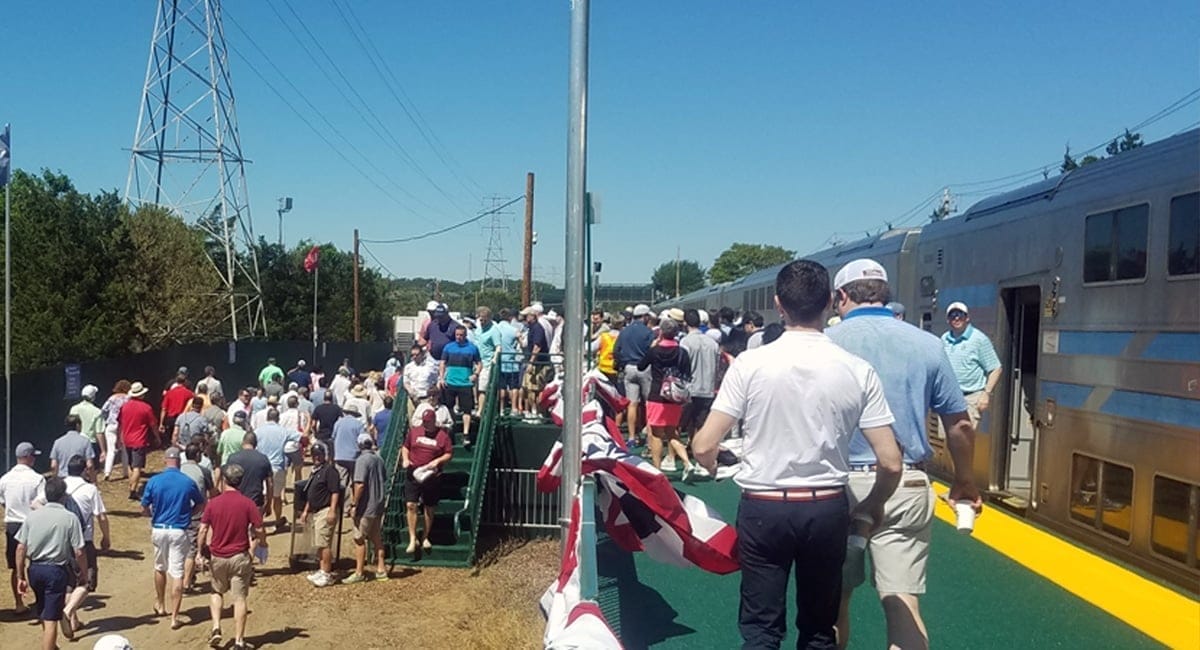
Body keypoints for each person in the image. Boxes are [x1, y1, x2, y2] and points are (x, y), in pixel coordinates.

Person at [692, 259, 903, 650]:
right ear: (829, 302)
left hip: (764, 506)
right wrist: (870, 506)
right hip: (826, 507)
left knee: (761, 627)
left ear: (779, 304)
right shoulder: (857, 369)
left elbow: (704, 445)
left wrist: (714, 464)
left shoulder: (750, 364)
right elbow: (890, 461)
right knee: (820, 628)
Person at [827, 258, 982, 649]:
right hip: (907, 483)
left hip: (837, 486)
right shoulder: (928, 344)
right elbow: (960, 425)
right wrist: (965, 480)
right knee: (901, 602)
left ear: (841, 297)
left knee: (831, 602)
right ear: (886, 295)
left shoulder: (826, 346)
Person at [196, 461, 266, 650]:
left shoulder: (214, 504)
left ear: (224, 480)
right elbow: (259, 529)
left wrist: (200, 551)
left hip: (218, 556)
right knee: (240, 599)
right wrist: (260, 546)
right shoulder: (248, 504)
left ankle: (217, 627)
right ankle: (239, 640)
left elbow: (202, 530)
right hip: (239, 556)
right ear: (240, 482)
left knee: (216, 591)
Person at [14, 476, 87, 650]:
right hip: (55, 570)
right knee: (52, 618)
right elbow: (79, 551)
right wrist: (83, 573)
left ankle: (51, 645)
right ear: (64, 496)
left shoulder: (32, 517)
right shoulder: (70, 518)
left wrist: (20, 576)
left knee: (43, 611)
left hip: (35, 569)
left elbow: (20, 548)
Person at [140, 446, 205, 630]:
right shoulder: (187, 481)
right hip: (179, 529)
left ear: (164, 461)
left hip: (159, 528)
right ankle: (175, 617)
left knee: (160, 567)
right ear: (179, 461)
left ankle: (160, 604)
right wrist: (189, 514)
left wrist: (151, 516)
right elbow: (200, 504)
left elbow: (143, 507)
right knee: (177, 572)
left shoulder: (154, 481)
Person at [637, 318, 697, 477]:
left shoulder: (654, 351)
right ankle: (686, 461)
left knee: (656, 434)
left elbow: (641, 366)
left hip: (657, 395)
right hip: (674, 397)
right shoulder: (682, 352)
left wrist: (651, 347)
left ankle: (657, 469)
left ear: (661, 332)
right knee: (672, 432)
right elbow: (687, 374)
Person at [942, 301, 1004, 432]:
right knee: (948, 439)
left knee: (964, 439)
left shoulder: (979, 340)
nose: (956, 318)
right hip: (948, 398)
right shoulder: (944, 339)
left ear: (967, 318)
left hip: (970, 398)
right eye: (952, 315)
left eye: (960, 315)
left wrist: (986, 394)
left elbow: (996, 368)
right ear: (948, 320)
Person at [1, 442, 46, 614]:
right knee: (36, 562)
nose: (34, 459)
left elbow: (3, 501)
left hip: (12, 524)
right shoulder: (37, 479)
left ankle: (19, 603)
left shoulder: (4, 479)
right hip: (32, 523)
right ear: (28, 457)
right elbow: (41, 503)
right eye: (33, 456)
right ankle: (40, 598)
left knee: (15, 565)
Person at [402, 410, 453, 554]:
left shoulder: (442, 436)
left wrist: (438, 461)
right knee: (411, 504)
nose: (425, 424)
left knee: (429, 507)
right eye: (424, 421)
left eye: (428, 422)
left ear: (433, 420)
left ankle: (425, 536)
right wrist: (405, 459)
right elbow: (405, 447)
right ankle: (412, 538)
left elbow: (449, 453)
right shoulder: (414, 432)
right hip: (414, 472)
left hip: (431, 475)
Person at [343, 434, 388, 584]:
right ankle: (381, 569)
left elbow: (359, 484)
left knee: (359, 538)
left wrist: (354, 504)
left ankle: (359, 572)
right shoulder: (379, 459)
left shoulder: (362, 460)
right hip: (379, 504)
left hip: (366, 506)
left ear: (360, 445)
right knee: (376, 537)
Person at [300, 442, 341, 588]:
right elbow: (311, 493)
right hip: (315, 511)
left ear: (324, 455)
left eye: (319, 455)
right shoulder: (315, 471)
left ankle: (327, 573)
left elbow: (335, 491)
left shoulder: (330, 471)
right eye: (314, 455)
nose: (316, 457)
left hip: (325, 510)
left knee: (324, 544)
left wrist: (332, 510)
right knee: (319, 543)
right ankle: (322, 568)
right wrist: (306, 511)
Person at [615, 304, 655, 444]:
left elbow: (616, 350)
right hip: (644, 368)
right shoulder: (648, 332)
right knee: (649, 403)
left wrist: (622, 364)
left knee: (632, 404)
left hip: (629, 368)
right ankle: (650, 437)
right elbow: (652, 350)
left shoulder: (624, 331)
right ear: (644, 317)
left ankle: (631, 437)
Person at [253, 409, 298, 530]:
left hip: (261, 467)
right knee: (277, 497)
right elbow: (300, 437)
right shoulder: (283, 431)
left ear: (267, 418)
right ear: (278, 418)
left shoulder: (258, 431)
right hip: (277, 467)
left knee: (261, 496)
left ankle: (258, 522)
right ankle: (278, 520)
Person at [179, 442, 215, 594]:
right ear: (198, 455)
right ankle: (186, 582)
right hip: (196, 513)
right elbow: (213, 492)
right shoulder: (203, 471)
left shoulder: (179, 470)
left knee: (180, 547)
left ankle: (182, 577)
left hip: (178, 513)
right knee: (191, 549)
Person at [679, 308, 720, 441]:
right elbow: (718, 366)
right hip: (708, 388)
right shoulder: (713, 343)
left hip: (691, 388)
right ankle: (697, 447)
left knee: (687, 420)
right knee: (701, 423)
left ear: (685, 323)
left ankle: (689, 445)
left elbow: (682, 365)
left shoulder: (685, 342)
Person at [440, 324, 482, 445]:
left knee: (467, 410)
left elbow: (479, 363)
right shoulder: (448, 347)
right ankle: (452, 428)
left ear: (465, 335)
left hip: (465, 383)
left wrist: (476, 374)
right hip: (450, 382)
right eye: (457, 335)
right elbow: (442, 363)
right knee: (449, 407)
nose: (459, 337)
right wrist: (442, 378)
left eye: (461, 335)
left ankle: (466, 433)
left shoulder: (472, 348)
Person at [119, 381, 159, 500]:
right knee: (137, 467)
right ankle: (133, 491)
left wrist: (120, 437)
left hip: (127, 439)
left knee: (131, 465)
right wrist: (157, 437)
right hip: (139, 440)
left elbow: (120, 423)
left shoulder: (124, 406)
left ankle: (132, 485)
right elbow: (153, 425)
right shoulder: (146, 408)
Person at [226, 433, 274, 519]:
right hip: (256, 502)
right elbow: (270, 484)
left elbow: (226, 481)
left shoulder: (232, 458)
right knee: (256, 529)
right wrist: (269, 503)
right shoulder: (263, 459)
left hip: (236, 502)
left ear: (243, 442)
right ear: (255, 444)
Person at [99, 381, 132, 481]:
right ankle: (126, 471)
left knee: (111, 450)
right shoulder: (128, 398)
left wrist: (107, 419)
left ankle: (107, 472)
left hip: (111, 425)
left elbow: (103, 410)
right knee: (124, 449)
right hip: (123, 426)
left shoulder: (111, 398)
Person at [70, 384, 106, 469]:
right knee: (92, 469)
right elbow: (99, 432)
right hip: (91, 443)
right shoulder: (97, 411)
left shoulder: (74, 409)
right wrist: (103, 450)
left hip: (76, 442)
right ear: (93, 397)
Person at [49, 414, 96, 478]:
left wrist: (55, 479)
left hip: (63, 479)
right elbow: (90, 465)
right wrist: (93, 480)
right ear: (78, 425)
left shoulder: (57, 442)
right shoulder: (85, 441)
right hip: (79, 479)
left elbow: (53, 465)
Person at [332, 405, 366, 488]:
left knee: (341, 481)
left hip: (339, 456)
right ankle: (355, 499)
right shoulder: (359, 424)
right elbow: (362, 440)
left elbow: (333, 437)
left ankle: (342, 499)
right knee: (355, 480)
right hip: (354, 457)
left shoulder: (338, 423)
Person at [160, 374, 194, 445]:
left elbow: (164, 409)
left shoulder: (169, 393)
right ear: (184, 382)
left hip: (170, 419)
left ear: (176, 382)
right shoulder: (189, 393)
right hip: (183, 418)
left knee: (171, 439)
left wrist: (161, 423)